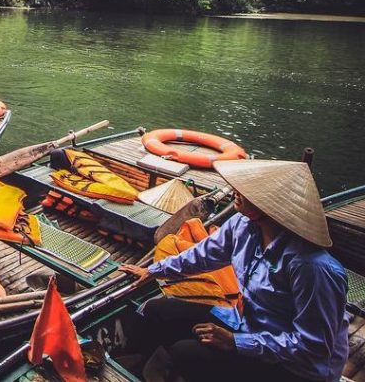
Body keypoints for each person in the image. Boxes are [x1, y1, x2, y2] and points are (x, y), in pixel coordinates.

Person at [120, 159, 348, 382]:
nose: (235, 191)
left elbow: (313, 348)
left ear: (270, 206)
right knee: (157, 310)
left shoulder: (311, 268)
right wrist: (154, 270)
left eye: (248, 191)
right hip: (247, 322)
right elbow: (203, 255)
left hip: (295, 366)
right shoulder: (243, 224)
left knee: (186, 352)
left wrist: (235, 342)